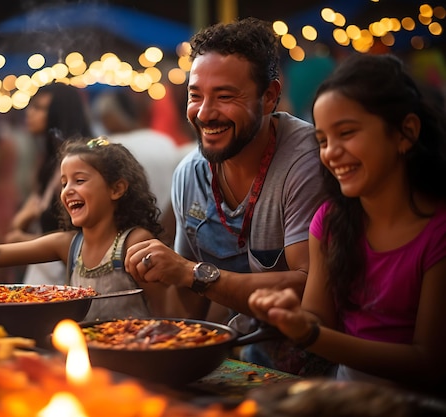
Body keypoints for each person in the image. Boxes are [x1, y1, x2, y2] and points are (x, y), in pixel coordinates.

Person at [124, 17, 329, 376]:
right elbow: (189, 309)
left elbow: (307, 285)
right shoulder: (190, 173)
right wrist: (152, 279)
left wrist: (191, 273)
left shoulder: (305, 161)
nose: (204, 113)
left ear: (269, 96)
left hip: (314, 377)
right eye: (195, 95)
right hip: (235, 365)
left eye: (224, 96)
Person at [248, 54, 446, 395]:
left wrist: (309, 333)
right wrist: (288, 313)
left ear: (406, 133)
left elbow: (429, 364)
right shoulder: (330, 222)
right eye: (323, 140)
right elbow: (316, 320)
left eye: (347, 133)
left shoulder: (437, 233)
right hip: (347, 399)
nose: (331, 153)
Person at [0, 137, 171, 321]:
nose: (68, 190)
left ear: (117, 189)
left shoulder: (133, 242)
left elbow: (166, 309)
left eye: (80, 180)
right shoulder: (70, 244)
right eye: (64, 182)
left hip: (135, 352)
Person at [5, 82, 94, 284]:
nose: (29, 113)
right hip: (48, 273)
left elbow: (85, 239)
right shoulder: (50, 163)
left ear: (59, 113)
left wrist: (24, 238)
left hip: (70, 280)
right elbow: (16, 227)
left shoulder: (80, 162)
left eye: (39, 108)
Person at [93, 87, 181, 244]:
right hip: (169, 232)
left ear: (111, 116)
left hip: (127, 238)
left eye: (104, 117)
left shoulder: (110, 148)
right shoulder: (163, 140)